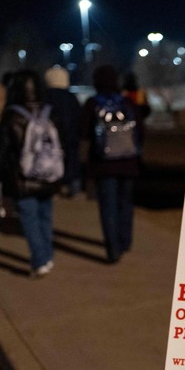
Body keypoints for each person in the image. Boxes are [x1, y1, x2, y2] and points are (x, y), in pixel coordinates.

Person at [0, 70, 62, 278]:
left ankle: (39, 261)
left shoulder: (12, 115)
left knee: (30, 220)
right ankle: (47, 256)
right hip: (48, 176)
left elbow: (0, 152)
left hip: (22, 178)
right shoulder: (49, 112)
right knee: (45, 217)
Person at [80, 64, 144, 263]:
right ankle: (125, 241)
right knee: (126, 204)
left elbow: (82, 131)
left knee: (108, 207)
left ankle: (113, 250)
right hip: (128, 162)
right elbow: (140, 129)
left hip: (104, 165)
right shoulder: (127, 102)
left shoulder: (92, 103)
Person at [44, 66, 82, 196]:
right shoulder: (71, 98)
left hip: (51, 137)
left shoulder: (45, 97)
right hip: (71, 135)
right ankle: (73, 186)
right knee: (71, 159)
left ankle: (55, 184)